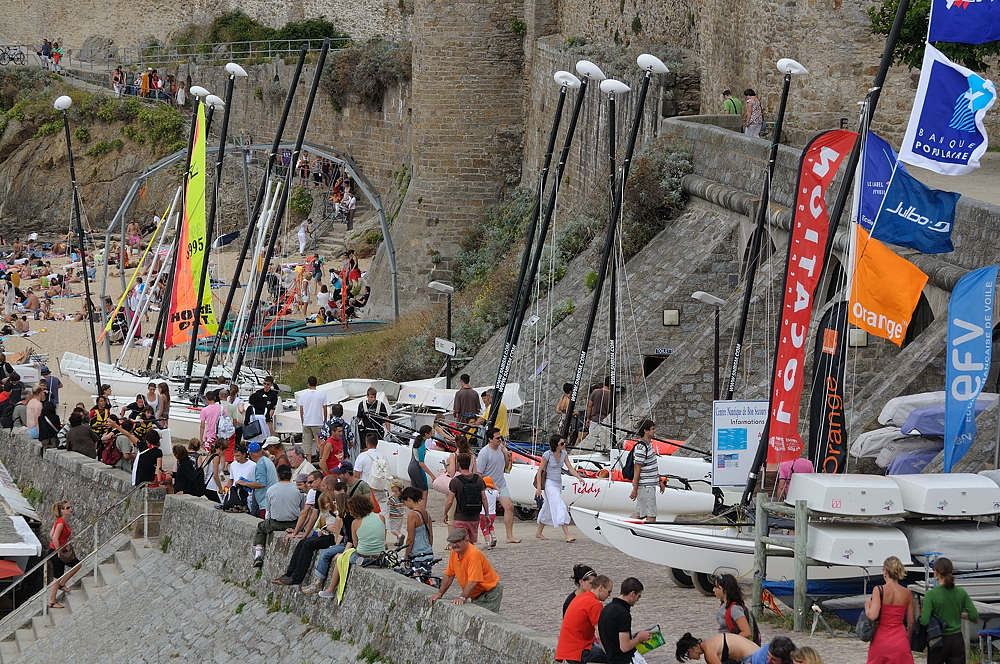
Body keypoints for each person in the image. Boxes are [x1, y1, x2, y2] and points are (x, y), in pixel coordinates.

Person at [318, 492, 385, 598]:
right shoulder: (381, 517)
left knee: (341, 559)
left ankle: (330, 589)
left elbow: (355, 543)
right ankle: (374, 559)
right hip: (380, 553)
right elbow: (383, 538)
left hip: (363, 554)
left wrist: (343, 554)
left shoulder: (355, 523)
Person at [428, 528, 503, 612]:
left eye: (458, 541)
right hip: (477, 594)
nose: (455, 545)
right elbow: (449, 575)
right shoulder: (454, 553)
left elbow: (474, 581)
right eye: (452, 542)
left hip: (489, 593)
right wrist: (440, 593)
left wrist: (462, 598)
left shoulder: (473, 554)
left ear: (466, 540)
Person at [920, 556, 977, 664]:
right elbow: (974, 616)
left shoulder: (931, 595)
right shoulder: (961, 593)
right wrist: (960, 615)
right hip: (956, 639)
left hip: (938, 640)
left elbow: (925, 621)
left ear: (936, 572)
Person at [864, 556, 915, 664]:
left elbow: (872, 615)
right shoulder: (907, 593)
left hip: (881, 640)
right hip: (900, 640)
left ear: (886, 571)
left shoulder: (879, 590)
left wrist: (867, 607)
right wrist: (907, 640)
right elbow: (911, 623)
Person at [252, 464, 305, 568]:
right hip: (295, 523)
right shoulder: (298, 489)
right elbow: (302, 509)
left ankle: (258, 555)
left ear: (278, 475)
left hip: (275, 523)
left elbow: (268, 513)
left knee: (260, 526)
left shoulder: (271, 489)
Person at [535, 434, 584, 542]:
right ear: (555, 445)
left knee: (548, 506)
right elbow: (539, 472)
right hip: (549, 483)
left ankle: (539, 532)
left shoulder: (564, 454)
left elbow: (570, 468)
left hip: (558, 483)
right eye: (562, 443)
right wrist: (539, 487)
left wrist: (579, 478)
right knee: (559, 505)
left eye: (564, 442)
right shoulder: (547, 455)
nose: (564, 445)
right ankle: (567, 535)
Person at [477, 427, 521, 544]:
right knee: (485, 512)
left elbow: (505, 466)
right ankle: (478, 536)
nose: (500, 440)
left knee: (509, 506)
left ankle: (509, 536)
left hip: (500, 483)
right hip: (488, 485)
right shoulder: (484, 453)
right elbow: (479, 473)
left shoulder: (501, 450)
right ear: (490, 439)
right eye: (497, 438)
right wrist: (484, 488)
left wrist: (506, 453)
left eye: (500, 437)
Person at [557, 574, 613, 664]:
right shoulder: (595, 604)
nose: (609, 595)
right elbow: (600, 636)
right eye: (609, 592)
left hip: (565, 649)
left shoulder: (580, 597)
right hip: (578, 651)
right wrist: (611, 654)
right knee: (615, 657)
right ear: (601, 588)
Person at [598, 577, 650, 664]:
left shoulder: (606, 608)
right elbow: (625, 647)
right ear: (632, 593)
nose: (638, 599)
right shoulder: (623, 614)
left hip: (612, 659)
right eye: (638, 596)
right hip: (624, 660)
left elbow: (600, 636)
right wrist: (639, 638)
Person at [444, 453, 486, 543]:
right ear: (470, 464)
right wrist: (486, 514)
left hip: (460, 517)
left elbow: (450, 500)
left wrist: (445, 513)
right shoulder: (478, 479)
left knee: (461, 542)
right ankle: (471, 557)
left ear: (458, 464)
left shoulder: (455, 481)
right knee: (471, 544)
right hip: (474, 517)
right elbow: (484, 498)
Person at [47, 501, 81, 610]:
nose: (70, 509)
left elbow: (51, 535)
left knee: (77, 565)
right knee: (57, 577)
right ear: (62, 510)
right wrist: (59, 551)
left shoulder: (60, 521)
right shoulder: (61, 522)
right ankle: (52, 601)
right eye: (67, 508)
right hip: (58, 552)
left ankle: (62, 584)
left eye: (70, 507)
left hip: (57, 550)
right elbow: (55, 538)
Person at [631, 419, 666, 522]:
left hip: (649, 485)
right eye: (652, 429)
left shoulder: (649, 445)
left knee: (640, 514)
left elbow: (652, 466)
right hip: (645, 486)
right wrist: (635, 489)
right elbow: (637, 469)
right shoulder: (641, 447)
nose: (654, 431)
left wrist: (659, 481)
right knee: (651, 515)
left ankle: (623, 529)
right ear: (645, 431)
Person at [297, 376, 329, 460]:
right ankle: (321, 460)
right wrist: (324, 419)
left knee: (307, 444)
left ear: (308, 384)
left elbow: (301, 409)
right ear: (316, 383)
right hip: (318, 422)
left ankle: (309, 462)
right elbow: (325, 408)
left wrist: (303, 420)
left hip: (307, 422)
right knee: (320, 443)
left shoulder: (303, 395)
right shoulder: (322, 394)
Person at [675, 632, 761, 663]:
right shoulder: (710, 642)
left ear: (691, 649)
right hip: (758, 653)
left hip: (751, 659)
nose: (690, 658)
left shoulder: (709, 652)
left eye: (687, 655)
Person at [714, 573, 753, 639]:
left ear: (725, 590)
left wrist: (729, 642)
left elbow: (747, 632)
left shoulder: (734, 609)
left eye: (717, 587)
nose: (713, 590)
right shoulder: (723, 604)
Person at [407, 425, 435, 507]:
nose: (432, 434)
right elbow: (421, 463)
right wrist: (432, 475)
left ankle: (417, 512)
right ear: (426, 434)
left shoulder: (418, 441)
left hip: (411, 467)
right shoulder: (421, 446)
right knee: (424, 493)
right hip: (417, 469)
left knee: (415, 493)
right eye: (430, 433)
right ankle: (422, 513)